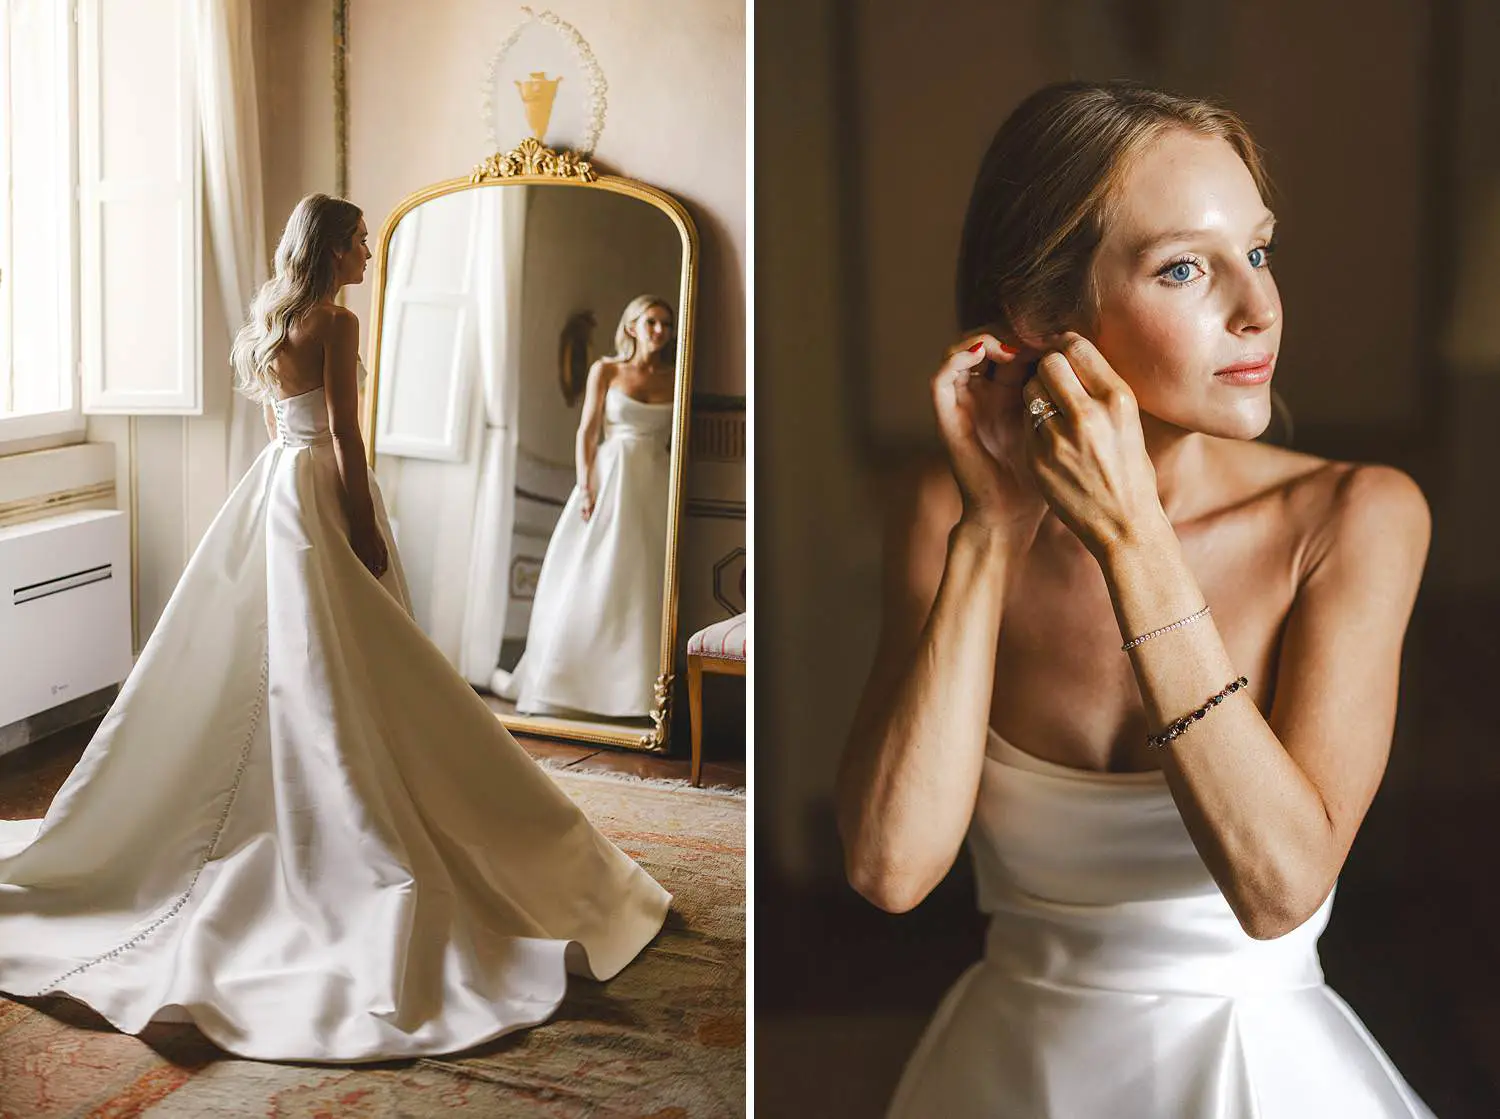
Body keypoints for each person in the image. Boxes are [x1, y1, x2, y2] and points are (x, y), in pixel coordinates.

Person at [836, 81, 1434, 1117]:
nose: (1258, 309)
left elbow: (1280, 888)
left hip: (1257, 1074)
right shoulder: (948, 509)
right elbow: (891, 868)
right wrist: (988, 530)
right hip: (1013, 1072)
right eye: (1184, 268)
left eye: (1259, 250)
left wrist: (1132, 539)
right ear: (1038, 315)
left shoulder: (1356, 517)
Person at [0, 194, 671, 1064]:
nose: (366, 253)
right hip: (318, 490)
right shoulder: (338, 323)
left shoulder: (270, 321)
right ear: (331, 247)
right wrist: (363, 525)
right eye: (358, 241)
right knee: (343, 662)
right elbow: (347, 435)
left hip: (273, 489)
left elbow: (290, 424)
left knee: (289, 659)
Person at [492, 295, 677, 720]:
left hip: (655, 483)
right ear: (632, 326)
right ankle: (566, 684)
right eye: (651, 322)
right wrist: (586, 485)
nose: (660, 331)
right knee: (593, 573)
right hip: (609, 478)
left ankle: (635, 694)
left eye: (666, 324)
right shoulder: (607, 370)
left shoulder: (677, 375)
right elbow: (587, 432)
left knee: (642, 578)